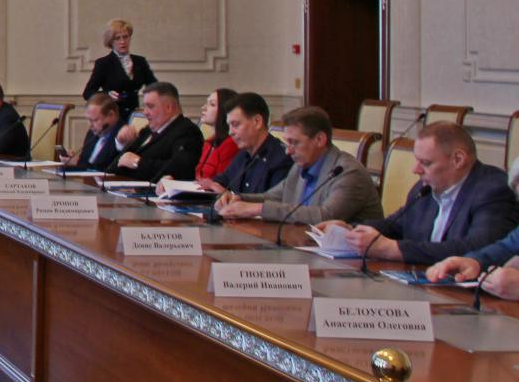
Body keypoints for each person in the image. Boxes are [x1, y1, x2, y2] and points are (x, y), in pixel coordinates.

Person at [332, 123, 518, 264]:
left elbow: (477, 248)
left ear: (458, 159)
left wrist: (392, 249)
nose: (416, 169)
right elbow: (395, 226)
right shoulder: (425, 189)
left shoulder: (493, 190)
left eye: (426, 163)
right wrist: (349, 230)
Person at [217, 106, 376, 225]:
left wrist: (256, 209)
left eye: (294, 143)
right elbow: (272, 197)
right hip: (301, 244)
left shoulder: (348, 172)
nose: (288, 151)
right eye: (287, 143)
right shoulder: (300, 166)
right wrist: (238, 198)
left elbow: (325, 216)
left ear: (319, 139)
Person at [198, 92, 291, 196]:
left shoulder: (281, 159)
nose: (230, 132)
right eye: (229, 126)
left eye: (235, 124)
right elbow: (222, 180)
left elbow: (273, 202)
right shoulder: (243, 154)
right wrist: (211, 185)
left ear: (257, 122)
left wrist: (229, 196)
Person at [112, 82, 203, 182]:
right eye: (145, 106)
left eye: (150, 106)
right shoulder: (148, 130)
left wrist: (138, 162)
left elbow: (180, 170)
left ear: (169, 108)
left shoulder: (187, 131)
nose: (145, 112)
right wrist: (121, 143)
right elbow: (120, 162)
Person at [82, 18, 156, 118]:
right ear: (111, 41)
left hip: (135, 116)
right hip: (113, 117)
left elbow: (155, 87)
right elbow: (87, 93)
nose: (122, 41)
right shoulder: (103, 63)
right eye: (117, 38)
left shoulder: (140, 61)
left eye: (125, 37)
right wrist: (107, 95)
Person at [194, 88, 240, 181]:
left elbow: (221, 182)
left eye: (212, 104)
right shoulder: (208, 143)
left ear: (225, 110)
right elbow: (198, 176)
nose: (203, 108)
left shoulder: (231, 144)